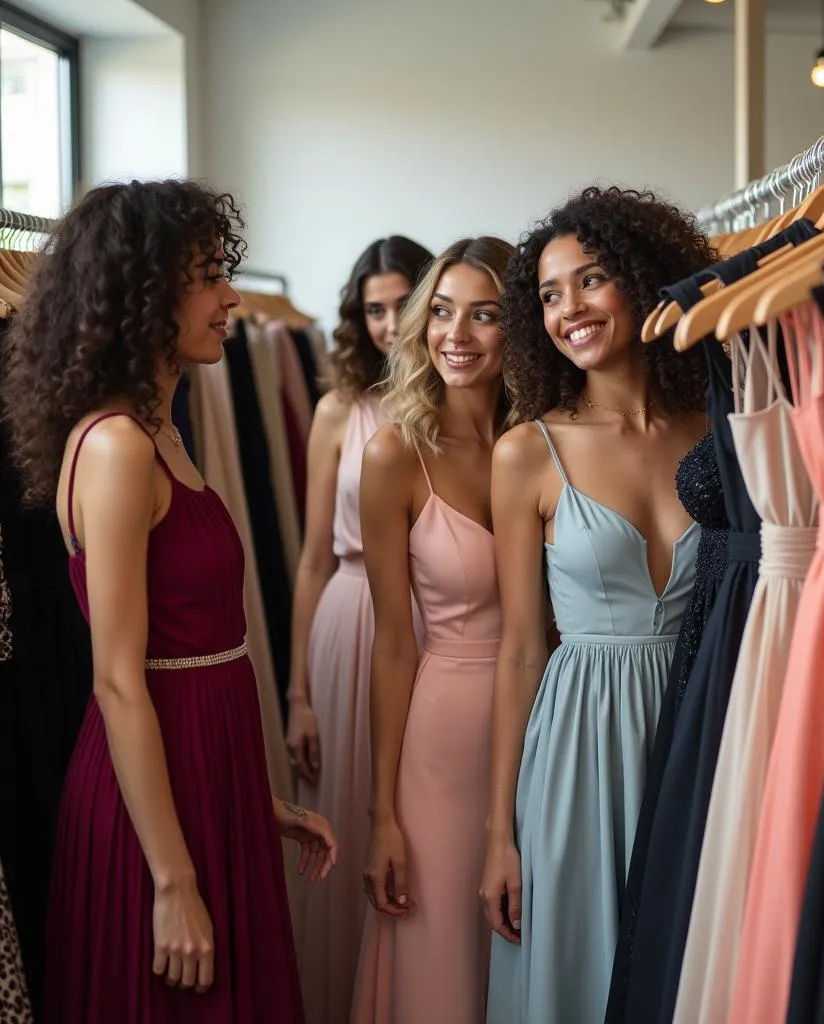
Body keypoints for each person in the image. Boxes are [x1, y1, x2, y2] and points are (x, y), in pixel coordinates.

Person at [0, 179, 338, 1023]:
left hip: (205, 777)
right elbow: (118, 681)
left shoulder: (164, 432)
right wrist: (173, 882)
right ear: (141, 292)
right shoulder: (116, 447)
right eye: (208, 277)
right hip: (150, 815)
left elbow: (194, 649)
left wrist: (258, 802)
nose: (231, 298)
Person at [480, 186, 715, 1023]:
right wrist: (498, 833)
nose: (569, 309)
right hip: (577, 745)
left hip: (700, 728)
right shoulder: (525, 454)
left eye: (590, 280)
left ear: (645, 280)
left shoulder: (719, 432)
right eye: (548, 294)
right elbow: (519, 651)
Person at [350, 237, 514, 1024]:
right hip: (443, 741)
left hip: (549, 725)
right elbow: (391, 644)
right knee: (443, 962)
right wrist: (382, 815)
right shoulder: (394, 454)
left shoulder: (550, 440)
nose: (457, 334)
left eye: (485, 315)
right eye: (442, 311)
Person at [286, 235, 432, 1023]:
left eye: (402, 304)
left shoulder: (461, 402)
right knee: (349, 814)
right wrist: (298, 691)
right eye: (372, 309)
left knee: (419, 816)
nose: (387, 323)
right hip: (348, 622)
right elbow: (310, 559)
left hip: (435, 624)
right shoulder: (339, 409)